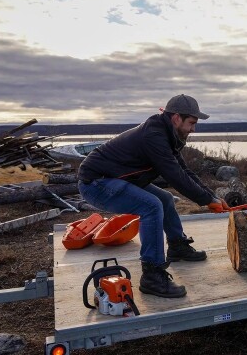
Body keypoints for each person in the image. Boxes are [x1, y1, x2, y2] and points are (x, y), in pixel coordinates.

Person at [78, 94, 229, 298]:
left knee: (165, 199)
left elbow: (185, 171)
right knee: (151, 206)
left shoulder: (168, 134)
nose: (194, 129)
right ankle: (152, 275)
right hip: (97, 183)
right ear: (176, 118)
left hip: (116, 180)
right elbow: (174, 175)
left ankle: (177, 246)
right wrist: (206, 201)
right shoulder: (154, 135)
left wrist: (212, 197)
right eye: (192, 123)